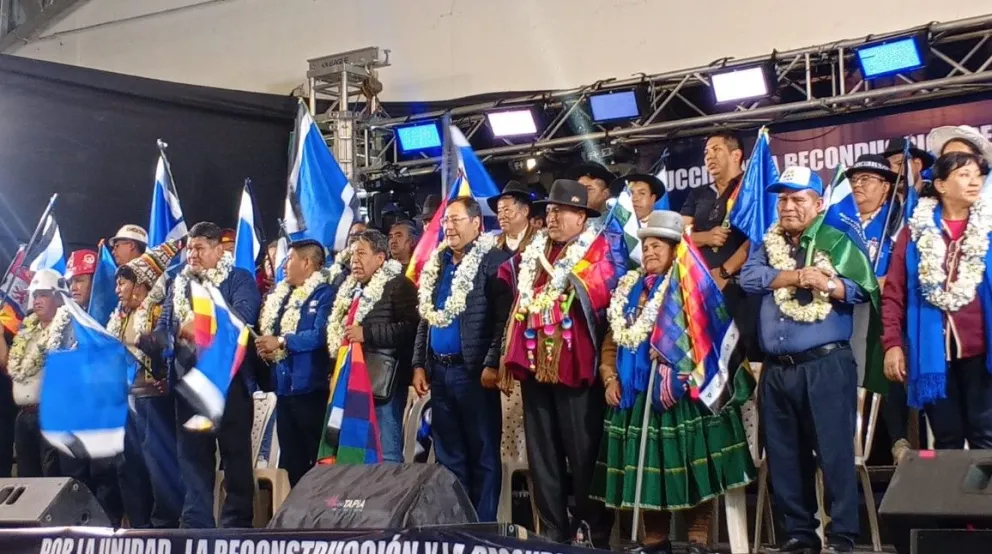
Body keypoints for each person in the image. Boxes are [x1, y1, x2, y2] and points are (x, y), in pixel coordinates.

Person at [592, 210, 755, 554]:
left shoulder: (691, 287)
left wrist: (674, 353)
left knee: (690, 467)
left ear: (675, 250)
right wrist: (608, 376)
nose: (649, 251)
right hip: (634, 395)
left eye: (657, 246)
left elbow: (708, 336)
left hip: (685, 395)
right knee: (650, 474)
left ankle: (698, 541)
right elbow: (612, 338)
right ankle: (656, 543)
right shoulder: (628, 287)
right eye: (646, 245)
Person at [741, 167, 870, 554]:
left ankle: (843, 535)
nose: (788, 206)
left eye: (798, 199)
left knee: (834, 453)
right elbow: (748, 280)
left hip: (825, 365)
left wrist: (827, 283)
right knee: (784, 455)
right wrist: (798, 276)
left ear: (818, 204)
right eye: (782, 199)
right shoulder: (766, 244)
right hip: (778, 368)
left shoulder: (838, 240)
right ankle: (799, 534)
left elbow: (862, 289)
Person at [502, 179, 623, 547]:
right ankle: (553, 528)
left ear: (582, 217)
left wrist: (571, 283)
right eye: (549, 211)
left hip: (576, 367)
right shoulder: (534, 252)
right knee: (543, 455)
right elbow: (515, 291)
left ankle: (594, 528)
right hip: (535, 363)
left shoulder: (597, 251)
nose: (551, 218)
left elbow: (605, 289)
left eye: (560, 211)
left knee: (583, 451)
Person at [145, 221, 261, 528]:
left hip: (229, 385)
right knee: (193, 461)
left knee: (235, 458)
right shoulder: (179, 284)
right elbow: (165, 326)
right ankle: (196, 526)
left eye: (199, 248)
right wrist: (158, 340)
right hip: (188, 385)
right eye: (189, 248)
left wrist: (198, 326)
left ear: (218, 249)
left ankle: (236, 527)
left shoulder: (239, 279)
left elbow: (242, 318)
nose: (192, 255)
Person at [882, 152, 992, 450]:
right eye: (964, 175)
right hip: (932, 353)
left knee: (986, 436)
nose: (974, 182)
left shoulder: (989, 228)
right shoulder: (914, 232)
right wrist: (892, 344)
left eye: (978, 176)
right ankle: (954, 499)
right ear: (941, 185)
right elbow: (894, 293)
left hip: (983, 353)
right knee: (947, 439)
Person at [411, 197, 511, 521]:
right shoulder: (438, 263)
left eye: (455, 220)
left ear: (477, 224)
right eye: (445, 222)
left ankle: (482, 530)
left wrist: (492, 362)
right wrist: (418, 363)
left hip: (474, 373)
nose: (448, 227)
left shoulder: (494, 260)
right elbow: (426, 317)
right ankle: (457, 524)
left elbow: (502, 319)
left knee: (483, 453)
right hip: (440, 372)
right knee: (449, 455)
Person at [322, 229, 419, 463]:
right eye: (353, 254)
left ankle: (390, 498)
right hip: (350, 381)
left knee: (386, 450)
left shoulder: (399, 285)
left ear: (380, 258)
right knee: (352, 449)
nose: (355, 260)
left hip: (382, 381)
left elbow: (410, 328)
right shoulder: (351, 290)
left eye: (361, 254)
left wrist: (367, 333)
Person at [110, 241, 183, 528]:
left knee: (158, 465)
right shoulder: (119, 316)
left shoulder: (159, 312)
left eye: (123, 283)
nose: (117, 289)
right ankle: (139, 526)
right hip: (126, 400)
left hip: (155, 399)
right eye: (116, 283)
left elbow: (166, 349)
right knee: (128, 466)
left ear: (141, 285)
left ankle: (165, 525)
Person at [845, 154, 909, 463]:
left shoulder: (898, 220)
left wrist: (889, 279)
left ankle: (898, 439)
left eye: (866, 180)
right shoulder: (842, 222)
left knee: (886, 366)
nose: (858, 185)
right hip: (849, 311)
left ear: (886, 187)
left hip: (886, 311)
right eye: (854, 180)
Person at [256, 235, 333, 486]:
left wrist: (281, 341)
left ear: (307, 263)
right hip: (283, 389)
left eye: (289, 260)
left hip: (310, 389)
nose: (283, 266)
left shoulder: (325, 295)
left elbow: (319, 336)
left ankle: (321, 518)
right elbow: (274, 333)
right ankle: (296, 518)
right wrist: (268, 348)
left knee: (317, 459)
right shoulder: (283, 295)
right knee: (291, 460)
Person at [681, 132, 756, 358]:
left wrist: (724, 272)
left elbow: (760, 237)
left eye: (716, 150)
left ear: (736, 155)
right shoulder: (699, 194)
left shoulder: (751, 188)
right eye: (706, 152)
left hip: (741, 288)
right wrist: (705, 237)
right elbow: (679, 234)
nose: (709, 157)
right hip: (701, 288)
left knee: (743, 358)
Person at [2, 270, 70, 478]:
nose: (37, 300)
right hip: (24, 416)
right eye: (35, 295)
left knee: (50, 476)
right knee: (26, 478)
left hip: (50, 413)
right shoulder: (27, 329)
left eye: (43, 295)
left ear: (59, 297)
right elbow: (8, 365)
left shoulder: (66, 327)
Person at [488, 181, 536, 254]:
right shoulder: (494, 243)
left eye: (507, 210)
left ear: (525, 211)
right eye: (499, 211)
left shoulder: (539, 240)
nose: (501, 217)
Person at [566, 162, 617, 227]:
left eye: (588, 189)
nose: (581, 194)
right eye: (579, 189)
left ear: (606, 194)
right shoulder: (571, 225)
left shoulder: (616, 223)